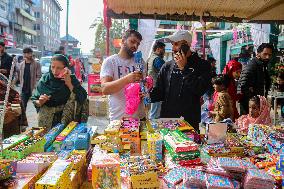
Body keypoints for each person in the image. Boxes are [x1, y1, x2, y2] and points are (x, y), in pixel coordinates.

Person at [150, 30, 211, 131]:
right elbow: (159, 92)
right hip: (168, 121)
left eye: (176, 44)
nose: (173, 48)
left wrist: (184, 69)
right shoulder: (167, 66)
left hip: (189, 122)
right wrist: (147, 93)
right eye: (172, 44)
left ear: (186, 45)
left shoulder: (203, 65)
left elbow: (200, 89)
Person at [31, 54, 88, 130]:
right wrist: (40, 102)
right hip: (46, 122)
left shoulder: (71, 79)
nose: (55, 71)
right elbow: (35, 99)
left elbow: (82, 97)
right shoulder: (45, 79)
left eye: (59, 68)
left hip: (66, 121)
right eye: (53, 67)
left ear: (66, 68)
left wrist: (69, 84)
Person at [100, 29, 145, 121]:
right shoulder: (110, 61)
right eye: (132, 41)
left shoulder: (140, 62)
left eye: (138, 44)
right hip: (118, 118)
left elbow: (144, 85)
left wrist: (145, 90)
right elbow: (105, 89)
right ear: (123, 40)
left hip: (139, 117)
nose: (135, 46)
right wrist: (127, 79)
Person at [238, 43, 274, 115]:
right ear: (258, 54)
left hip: (258, 105)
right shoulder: (252, 66)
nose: (267, 57)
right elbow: (243, 86)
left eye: (269, 55)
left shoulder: (262, 66)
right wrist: (253, 102)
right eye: (265, 54)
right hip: (250, 108)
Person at [147, 41, 166, 119]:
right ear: (158, 49)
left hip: (151, 87)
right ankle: (154, 128)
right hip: (157, 88)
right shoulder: (157, 59)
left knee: (153, 110)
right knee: (156, 112)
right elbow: (165, 72)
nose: (164, 52)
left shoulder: (150, 58)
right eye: (163, 50)